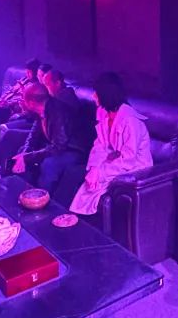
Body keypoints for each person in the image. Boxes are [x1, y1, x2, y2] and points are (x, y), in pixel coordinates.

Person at [69, 72, 152, 216]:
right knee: (77, 175)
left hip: (135, 167)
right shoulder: (103, 112)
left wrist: (100, 173)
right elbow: (100, 144)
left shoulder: (131, 121)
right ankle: (68, 219)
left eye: (96, 93)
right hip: (114, 161)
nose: (93, 96)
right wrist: (94, 167)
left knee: (89, 186)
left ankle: (77, 221)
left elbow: (128, 159)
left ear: (107, 94)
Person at [8, 82, 91, 204]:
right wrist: (24, 153)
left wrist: (27, 157)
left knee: (49, 164)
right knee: (21, 152)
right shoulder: (41, 110)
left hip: (74, 151)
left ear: (31, 102)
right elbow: (33, 136)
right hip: (58, 147)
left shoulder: (59, 112)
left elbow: (59, 146)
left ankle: (42, 202)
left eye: (24, 100)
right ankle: (26, 193)